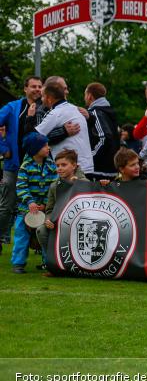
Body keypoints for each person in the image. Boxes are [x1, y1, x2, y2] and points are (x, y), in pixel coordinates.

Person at [0, 76, 45, 247]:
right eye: (33, 86)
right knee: (7, 205)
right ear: (25, 89)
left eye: (40, 86)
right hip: (14, 165)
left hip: (38, 167)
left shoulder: (46, 108)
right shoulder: (12, 108)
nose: (37, 89)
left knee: (36, 206)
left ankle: (36, 244)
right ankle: (2, 237)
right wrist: (3, 148)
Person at [29, 77, 93, 176]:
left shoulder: (55, 113)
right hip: (86, 166)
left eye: (42, 96)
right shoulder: (76, 109)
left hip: (70, 169)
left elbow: (34, 139)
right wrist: (63, 131)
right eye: (64, 88)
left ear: (49, 98)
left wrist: (29, 118)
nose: (41, 99)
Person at [12, 133, 57, 273]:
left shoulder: (51, 165)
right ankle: (18, 263)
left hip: (44, 209)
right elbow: (21, 187)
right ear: (35, 149)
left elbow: (53, 185)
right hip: (25, 209)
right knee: (21, 235)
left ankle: (47, 262)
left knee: (46, 236)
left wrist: (45, 203)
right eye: (45, 145)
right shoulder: (25, 166)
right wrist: (30, 202)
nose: (48, 148)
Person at [36, 149, 84, 272]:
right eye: (57, 166)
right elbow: (50, 209)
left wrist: (78, 184)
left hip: (80, 224)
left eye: (64, 165)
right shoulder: (54, 186)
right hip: (59, 224)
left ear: (74, 166)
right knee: (41, 230)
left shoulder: (85, 183)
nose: (60, 168)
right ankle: (52, 264)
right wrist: (48, 220)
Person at [81, 82, 120, 180]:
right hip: (111, 168)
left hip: (98, 170)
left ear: (89, 96)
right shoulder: (109, 111)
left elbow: (104, 137)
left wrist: (91, 156)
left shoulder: (95, 112)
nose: (84, 97)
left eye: (85, 94)